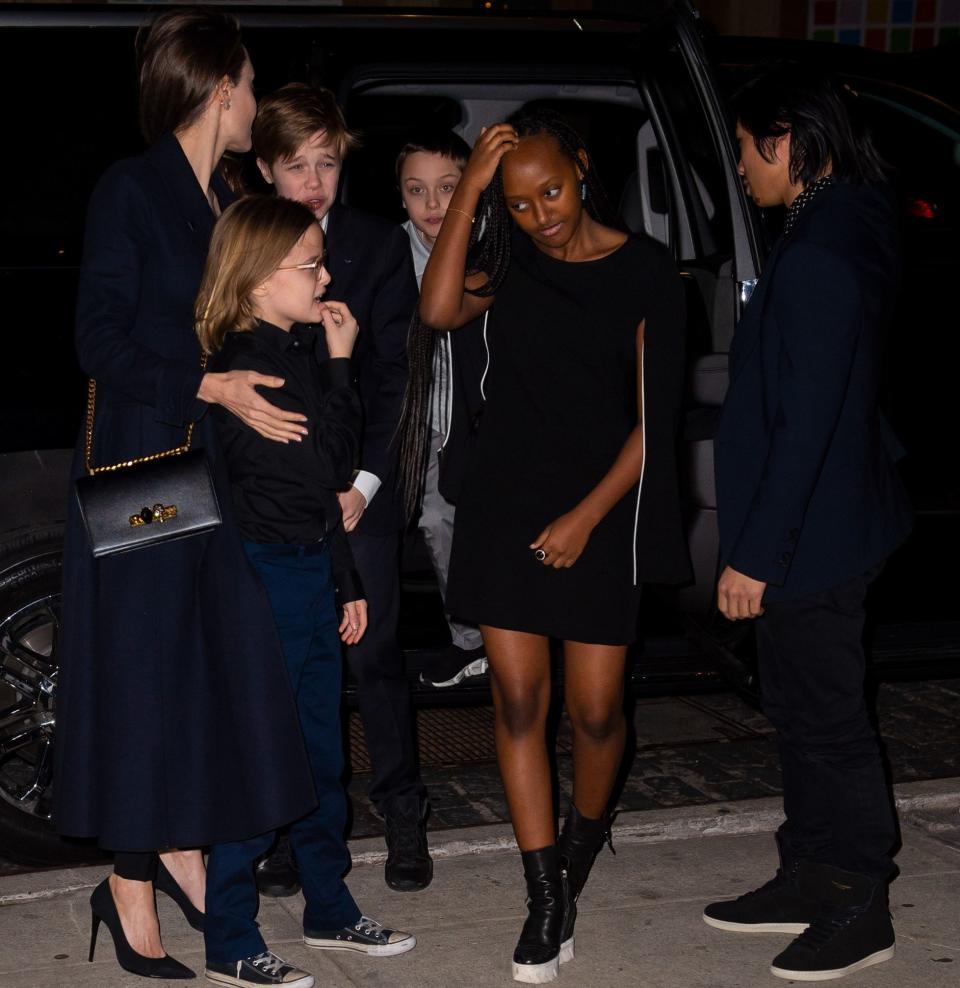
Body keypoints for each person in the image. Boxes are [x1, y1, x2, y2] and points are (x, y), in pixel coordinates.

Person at [52, 8, 317, 981]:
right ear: (219, 89)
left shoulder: (230, 193)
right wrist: (209, 383)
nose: (256, 98)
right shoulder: (133, 192)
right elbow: (101, 339)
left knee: (208, 674)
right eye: (249, 82)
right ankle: (134, 876)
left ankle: (177, 847)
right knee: (144, 674)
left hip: (216, 468)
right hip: (146, 471)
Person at [418, 108, 690, 983]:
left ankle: (582, 841)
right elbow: (436, 308)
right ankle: (544, 897)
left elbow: (658, 421)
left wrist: (585, 519)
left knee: (598, 712)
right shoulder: (512, 262)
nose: (544, 215)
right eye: (522, 203)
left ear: (581, 167)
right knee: (519, 705)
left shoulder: (648, 271)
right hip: (504, 507)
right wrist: (468, 192)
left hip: (601, 509)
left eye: (554, 192)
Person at [704, 63, 913, 982]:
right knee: (797, 708)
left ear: (784, 140)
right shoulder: (842, 218)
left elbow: (811, 418)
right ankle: (808, 874)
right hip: (826, 518)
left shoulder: (826, 247)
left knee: (826, 719)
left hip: (813, 534)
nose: (742, 171)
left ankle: (860, 899)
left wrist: (756, 553)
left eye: (747, 151)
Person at [197, 195, 416, 988]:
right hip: (262, 580)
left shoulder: (286, 347)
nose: (326, 274)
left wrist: (345, 579)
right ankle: (229, 937)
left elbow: (318, 497)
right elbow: (325, 469)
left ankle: (327, 906)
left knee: (320, 754)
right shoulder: (248, 363)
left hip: (307, 568)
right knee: (259, 758)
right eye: (311, 263)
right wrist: (343, 361)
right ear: (257, 279)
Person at [251, 84, 432, 894]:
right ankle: (295, 829)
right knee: (292, 660)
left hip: (361, 481)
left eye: (328, 162)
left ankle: (403, 813)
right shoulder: (247, 243)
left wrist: (361, 483)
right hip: (280, 489)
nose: (315, 181)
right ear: (265, 170)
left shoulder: (375, 245)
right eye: (297, 167)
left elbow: (397, 375)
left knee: (377, 651)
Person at [393, 130, 489, 688]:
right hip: (423, 418)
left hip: (483, 416)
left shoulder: (490, 244)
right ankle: (469, 640)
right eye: (416, 190)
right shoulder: (392, 251)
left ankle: (502, 637)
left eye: (448, 188)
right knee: (436, 519)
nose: (432, 205)